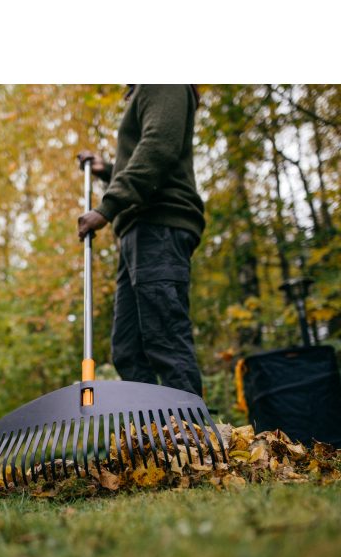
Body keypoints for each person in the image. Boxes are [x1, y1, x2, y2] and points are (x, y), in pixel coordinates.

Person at [77, 84, 205, 397]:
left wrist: (107, 206)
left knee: (165, 338)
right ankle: (156, 436)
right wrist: (106, 169)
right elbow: (142, 155)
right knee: (127, 349)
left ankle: (191, 435)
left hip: (159, 223)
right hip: (137, 229)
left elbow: (159, 145)